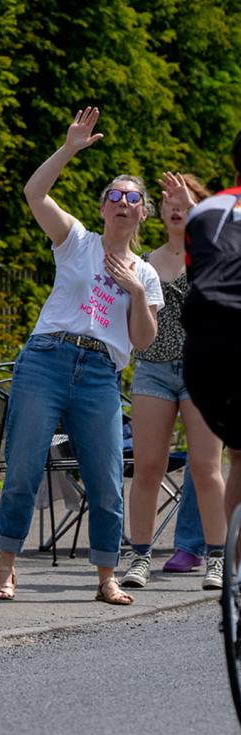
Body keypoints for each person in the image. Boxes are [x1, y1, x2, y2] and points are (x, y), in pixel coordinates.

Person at [0, 106, 163, 606]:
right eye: (116, 195)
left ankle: (106, 576)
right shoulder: (77, 242)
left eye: (133, 198)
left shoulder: (146, 275)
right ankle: (6, 569)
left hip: (100, 374)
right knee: (22, 468)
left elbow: (144, 342)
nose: (124, 203)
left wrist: (132, 291)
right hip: (47, 357)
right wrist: (69, 149)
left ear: (142, 213)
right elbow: (33, 194)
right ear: (104, 206)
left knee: (106, 477)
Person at [121, 172, 226, 591]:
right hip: (153, 370)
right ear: (157, 213)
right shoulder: (144, 260)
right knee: (147, 467)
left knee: (205, 467)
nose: (176, 207)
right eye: (167, 203)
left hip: (203, 370)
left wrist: (196, 208)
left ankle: (217, 558)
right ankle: (140, 556)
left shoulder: (211, 252)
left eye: (183, 202)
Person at [183, 128, 241, 532]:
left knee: (238, 453)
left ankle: (235, 578)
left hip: (203, 351)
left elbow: (195, 275)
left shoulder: (204, 210)